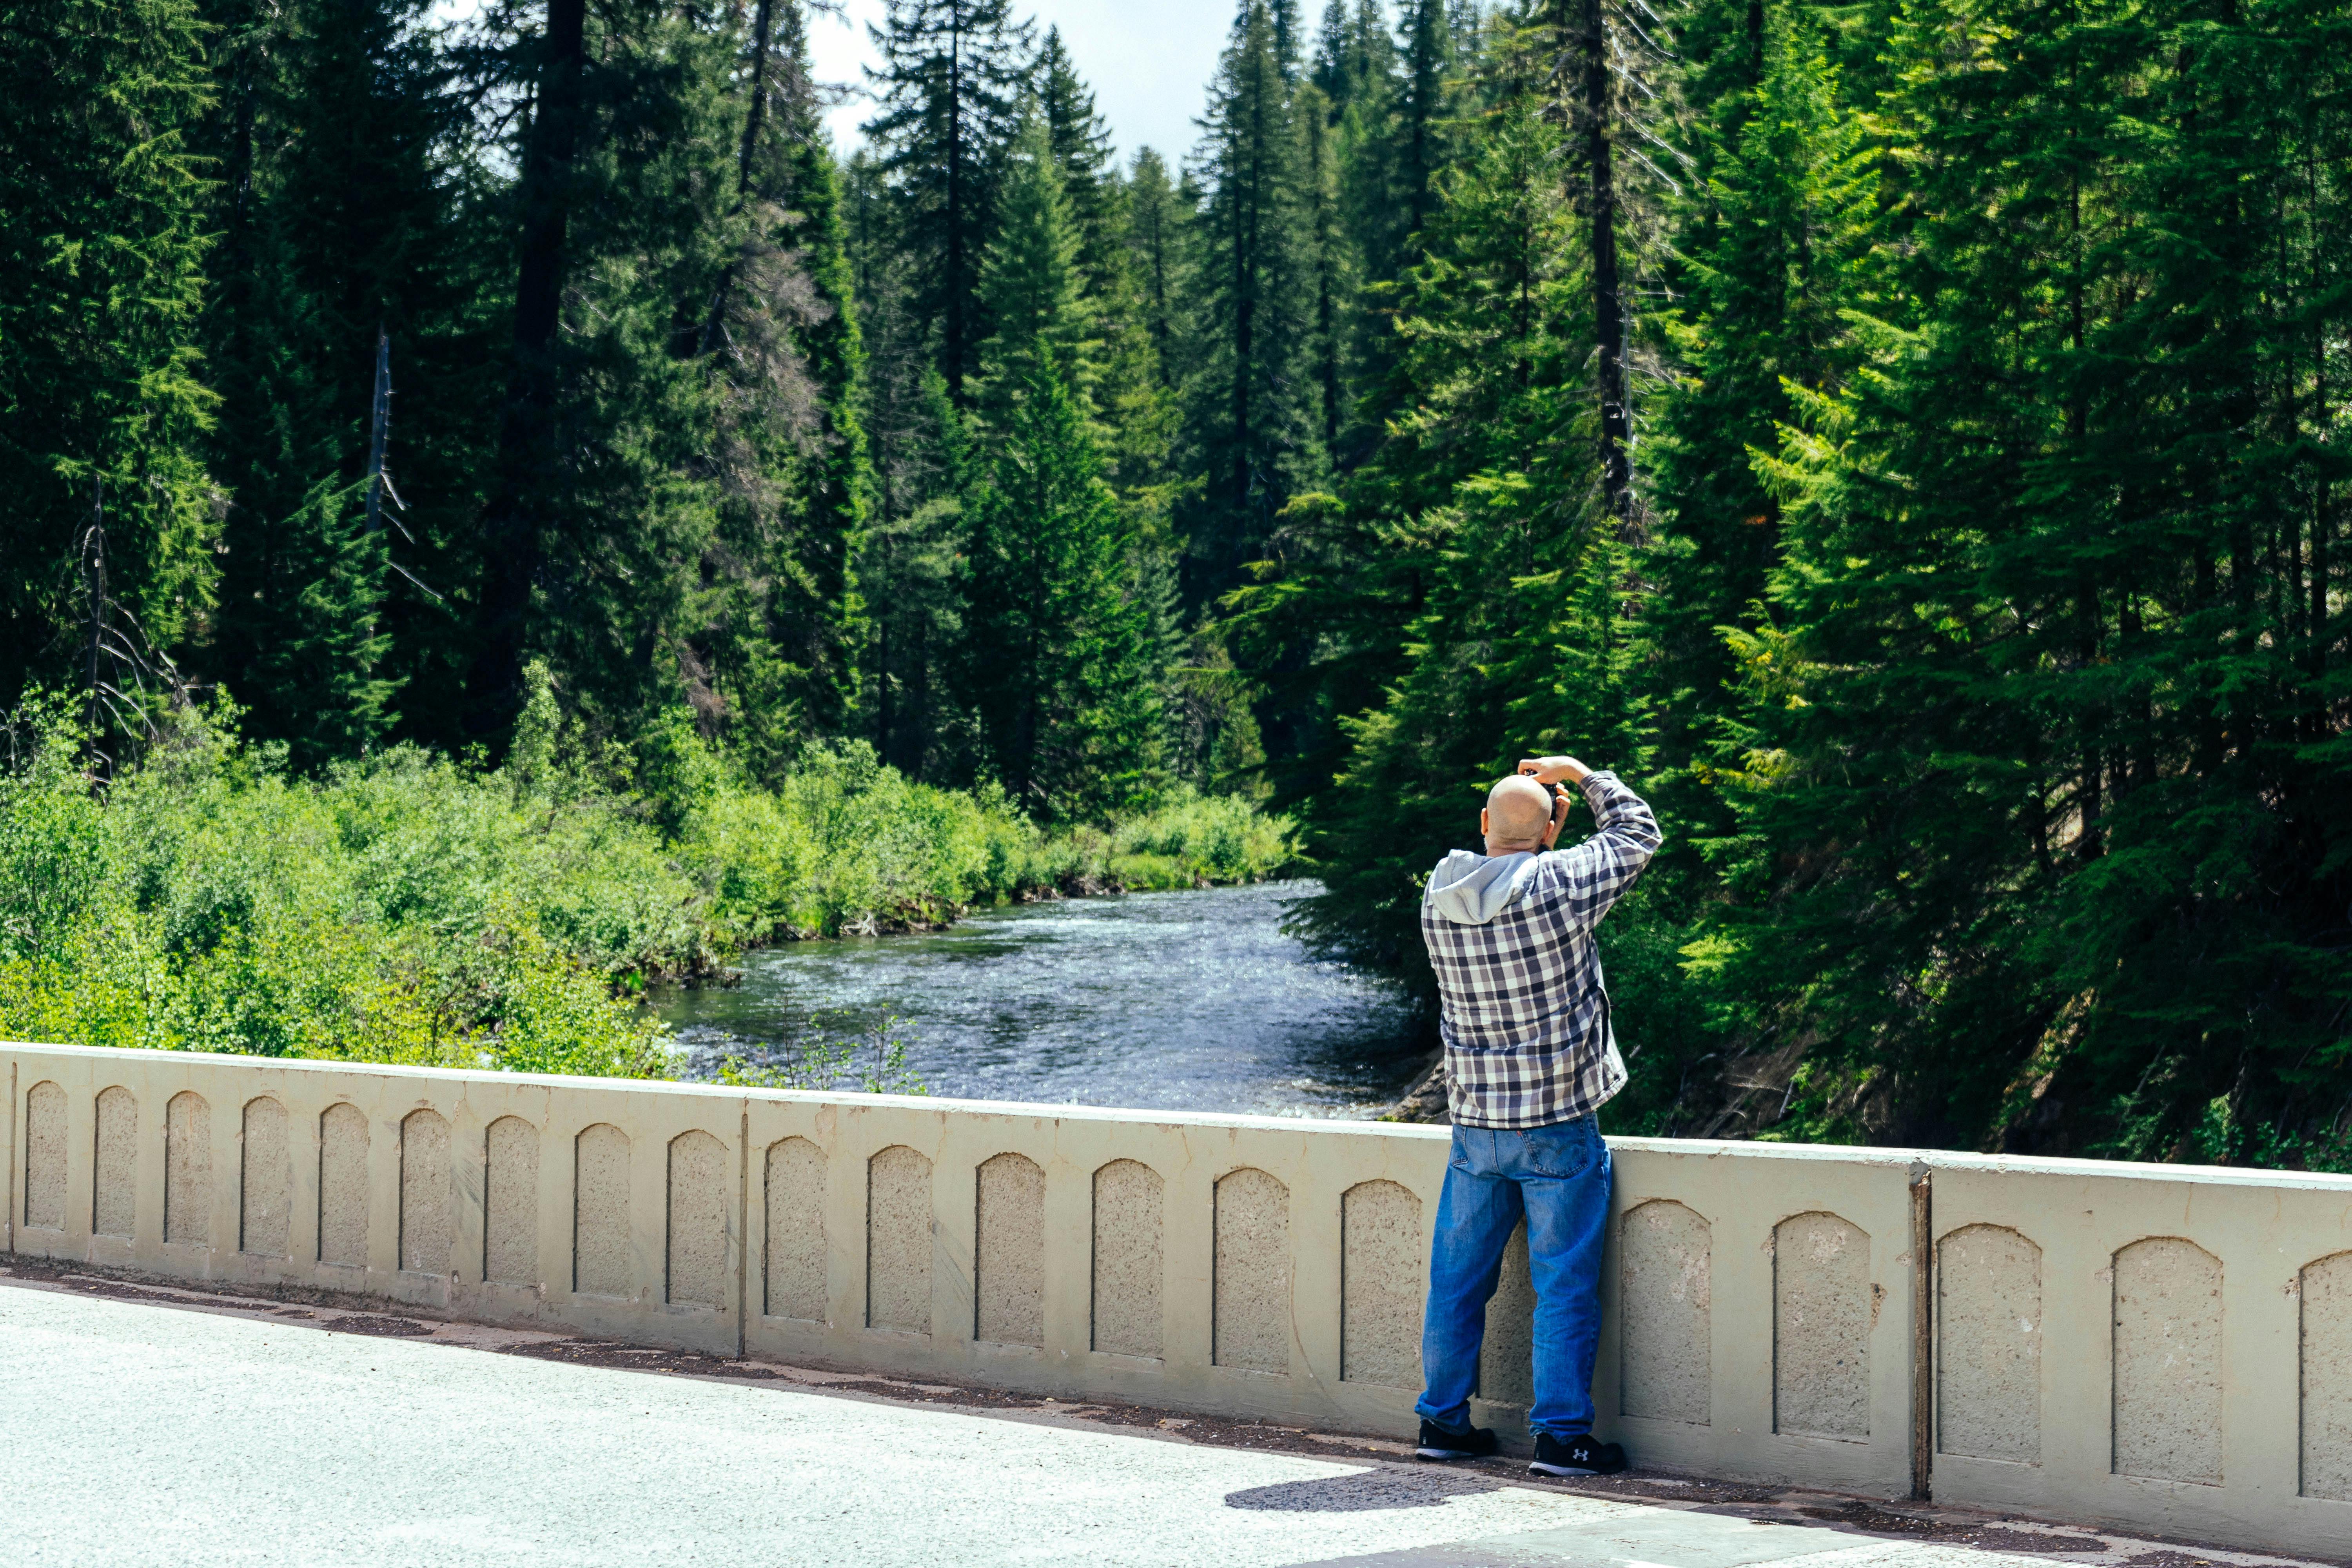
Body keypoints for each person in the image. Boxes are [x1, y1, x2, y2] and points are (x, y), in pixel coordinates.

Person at [1411, 753, 1661, 1478]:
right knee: (1564, 1285)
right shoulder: (1559, 885)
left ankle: (1442, 1421)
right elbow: (1638, 833)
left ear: (1483, 824)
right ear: (1552, 831)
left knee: (1457, 1283)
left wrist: (1542, 817)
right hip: (1555, 1120)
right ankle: (1560, 1438)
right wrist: (1580, 775)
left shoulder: (1438, 894)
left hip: (1476, 1124)